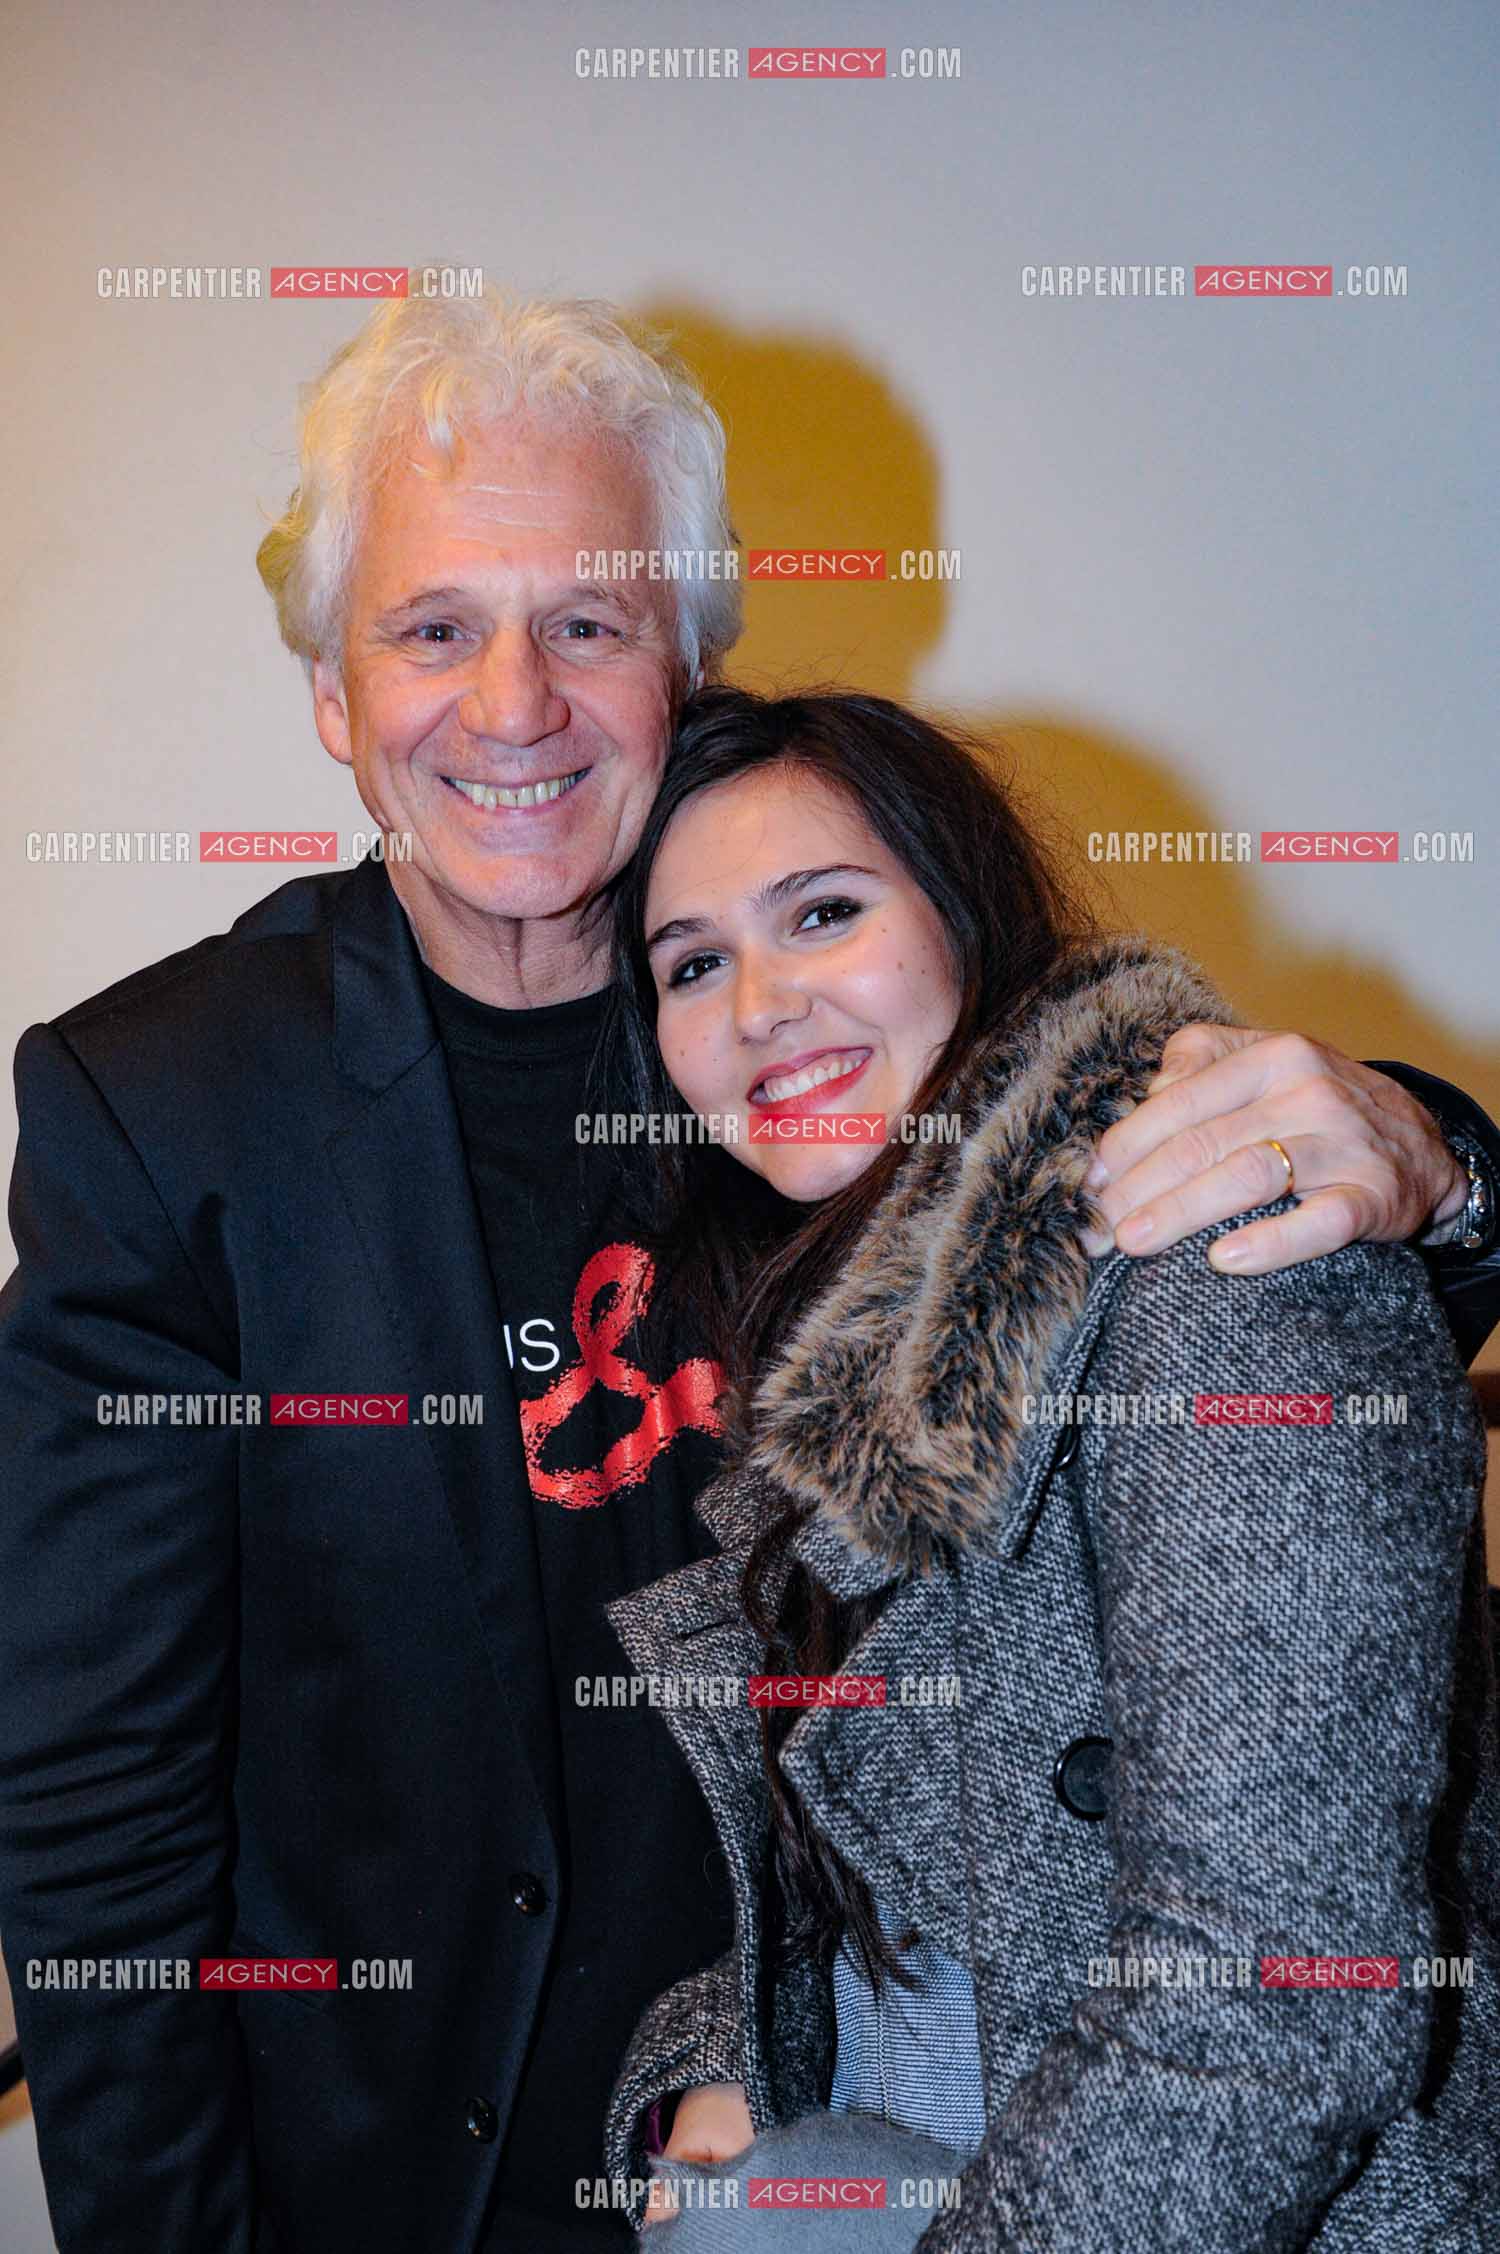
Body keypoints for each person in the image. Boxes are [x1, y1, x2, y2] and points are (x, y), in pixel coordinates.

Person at [0, 281, 1494, 2254]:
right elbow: (101, 1780)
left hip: (842, 2143)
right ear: (335, 700)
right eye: (433, 627)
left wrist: (1438, 1162)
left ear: (687, 666)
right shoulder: (165, 1103)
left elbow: (1167, 1223)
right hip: (397, 2168)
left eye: (589, 623)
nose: (514, 702)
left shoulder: (807, 1062)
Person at [599, 686, 1498, 2251]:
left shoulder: (1226, 1247)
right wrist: (719, 2069)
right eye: (693, 963)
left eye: (821, 911)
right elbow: (893, 1913)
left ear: (966, 917)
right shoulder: (833, 1381)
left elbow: (1276, 2002)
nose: (757, 1005)